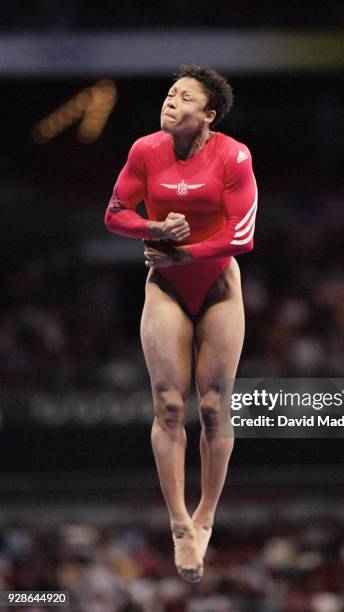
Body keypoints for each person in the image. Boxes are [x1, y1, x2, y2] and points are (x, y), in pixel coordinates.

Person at [104, 65, 258, 582]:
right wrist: (152, 227)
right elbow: (114, 213)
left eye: (184, 97)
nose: (170, 101)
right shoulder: (145, 150)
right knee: (169, 405)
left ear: (208, 115)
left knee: (214, 407)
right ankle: (178, 523)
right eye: (169, 92)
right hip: (166, 286)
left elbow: (242, 235)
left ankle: (206, 515)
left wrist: (184, 254)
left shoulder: (233, 155)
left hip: (217, 286)